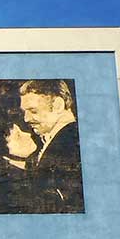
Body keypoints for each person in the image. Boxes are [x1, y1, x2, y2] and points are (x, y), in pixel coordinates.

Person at [12, 79, 84, 213]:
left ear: (57, 105)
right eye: (25, 112)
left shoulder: (71, 144)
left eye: (33, 111)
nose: (26, 119)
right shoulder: (64, 140)